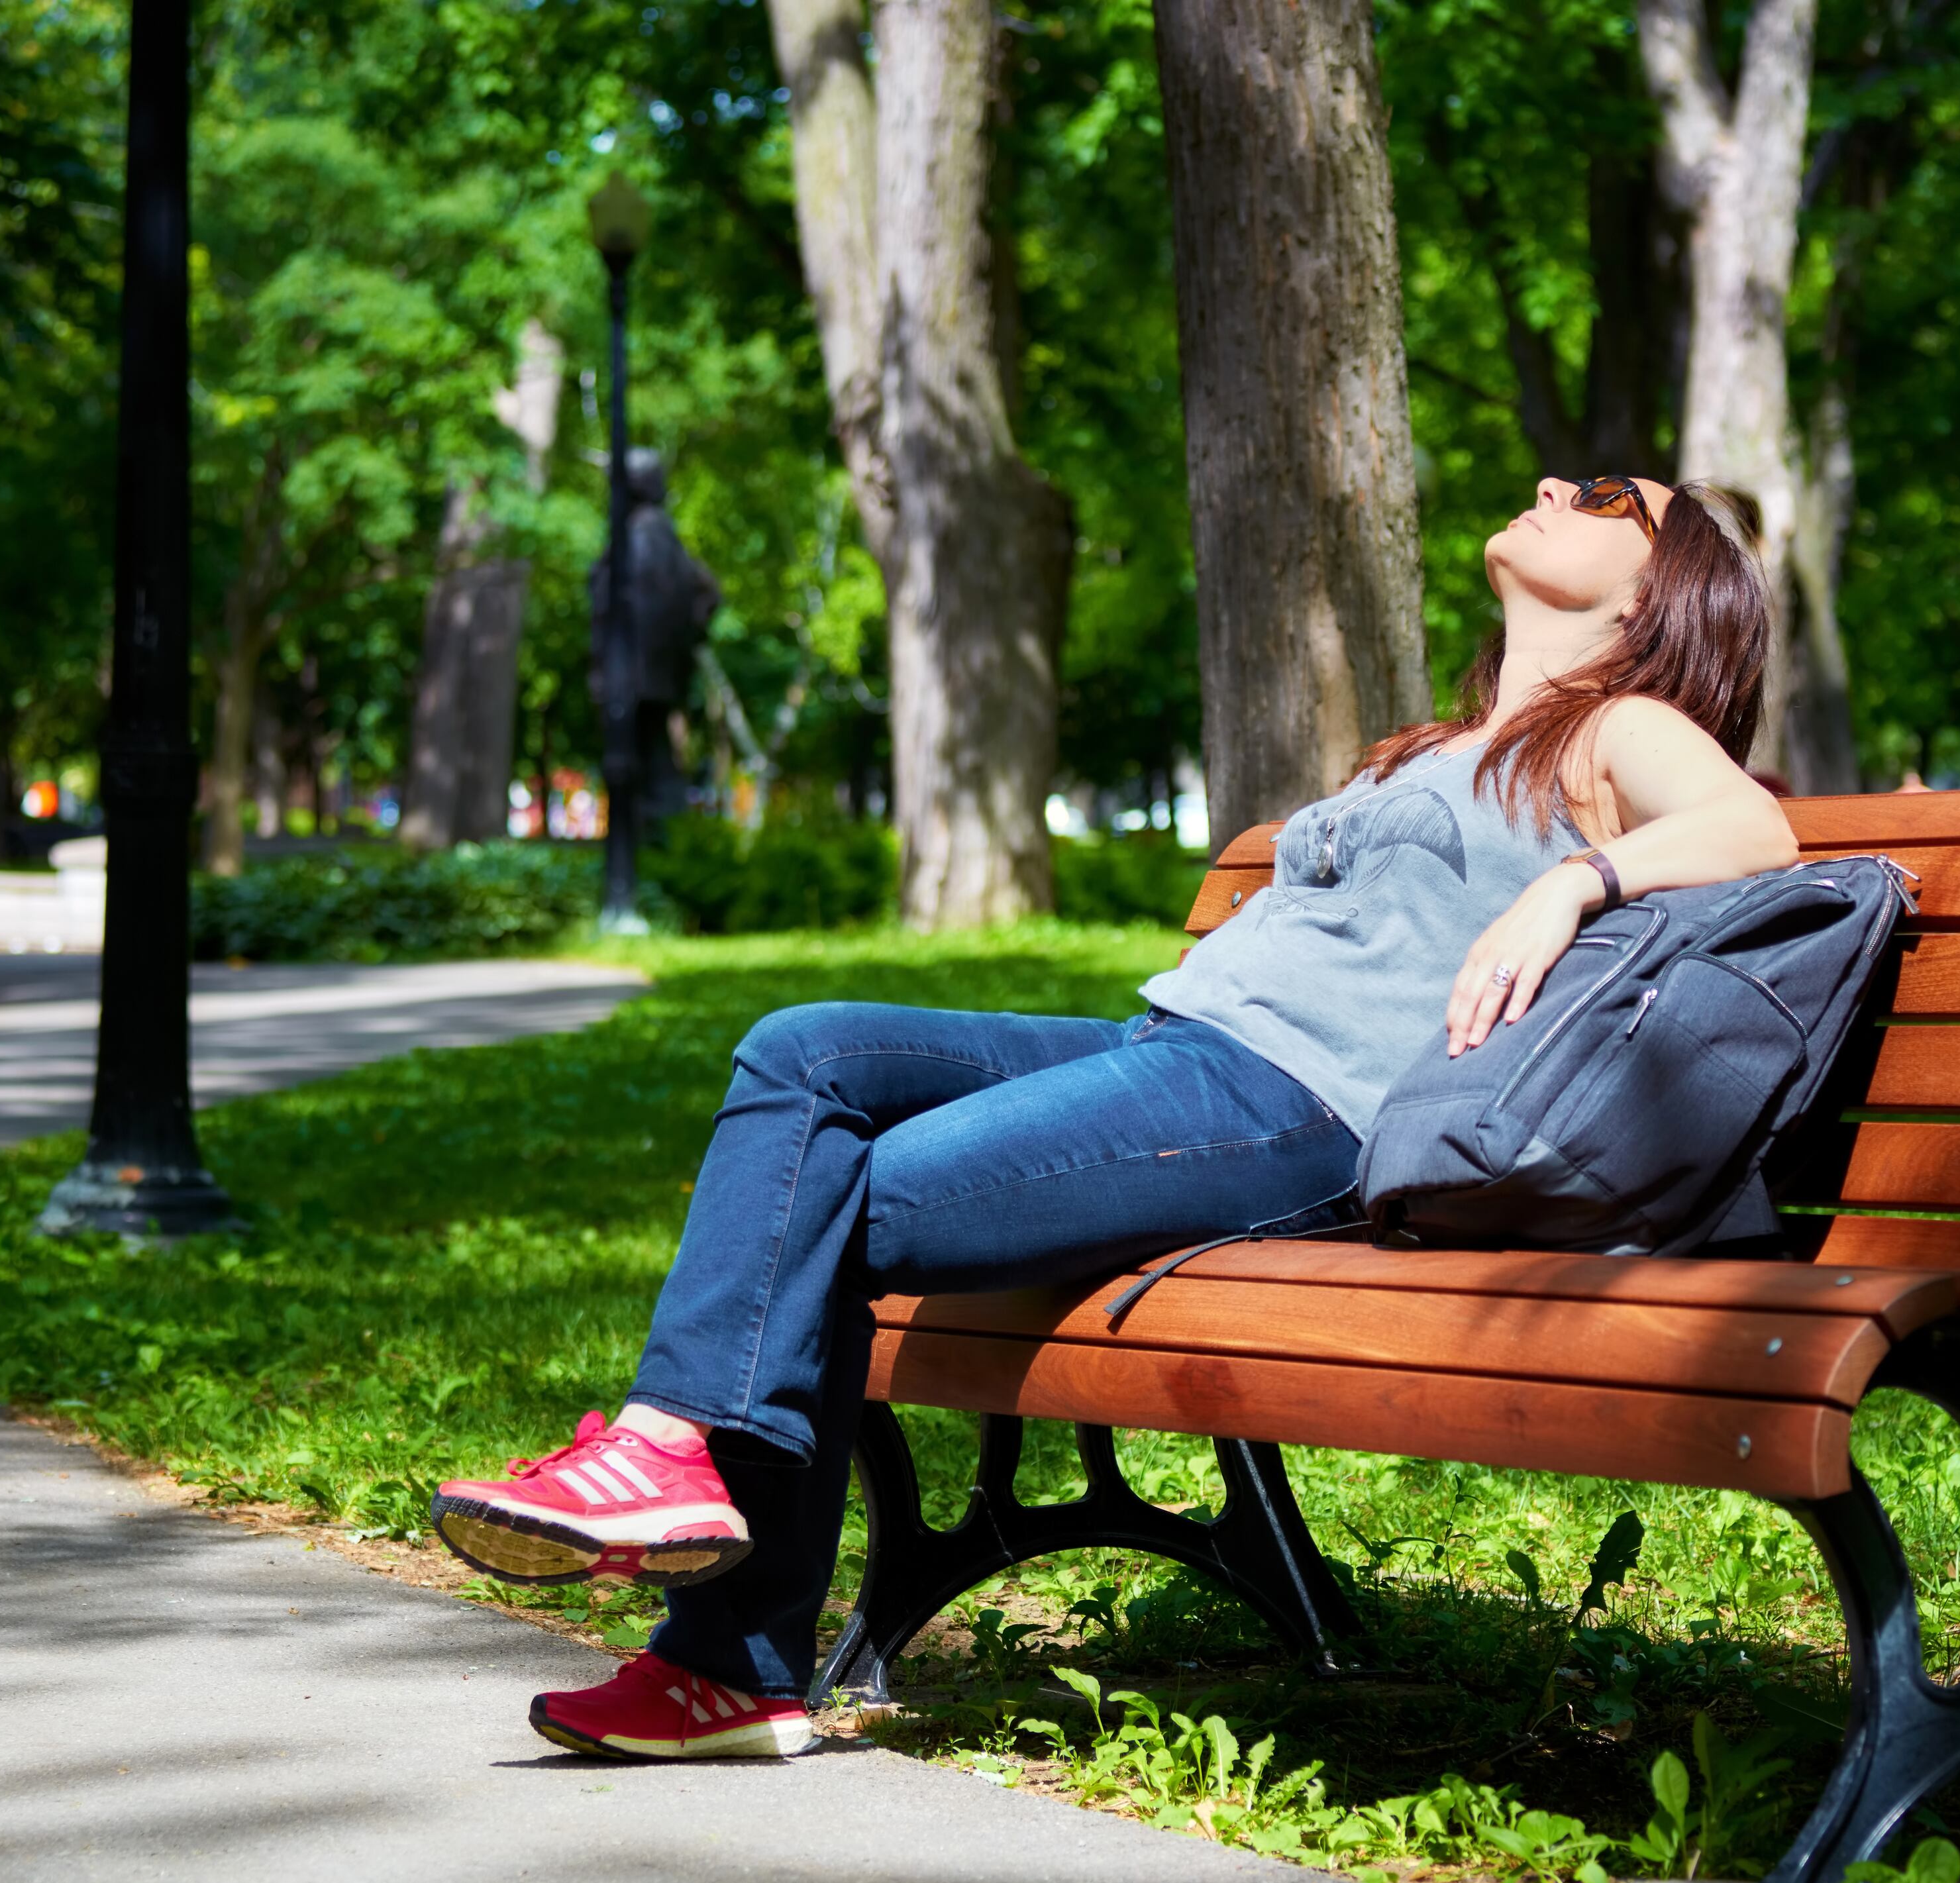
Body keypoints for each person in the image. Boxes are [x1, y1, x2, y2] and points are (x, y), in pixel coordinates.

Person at [431, 474, 1800, 1762]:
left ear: (1649, 599)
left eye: (1611, 498)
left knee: (829, 1201)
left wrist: (1572, 885)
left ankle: (723, 1646)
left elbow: (1758, 833)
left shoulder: (1624, 730)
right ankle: (676, 1476)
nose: (1562, 487)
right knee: (804, 1054)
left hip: (1292, 1106)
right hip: (1168, 1051)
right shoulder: (1443, 744)